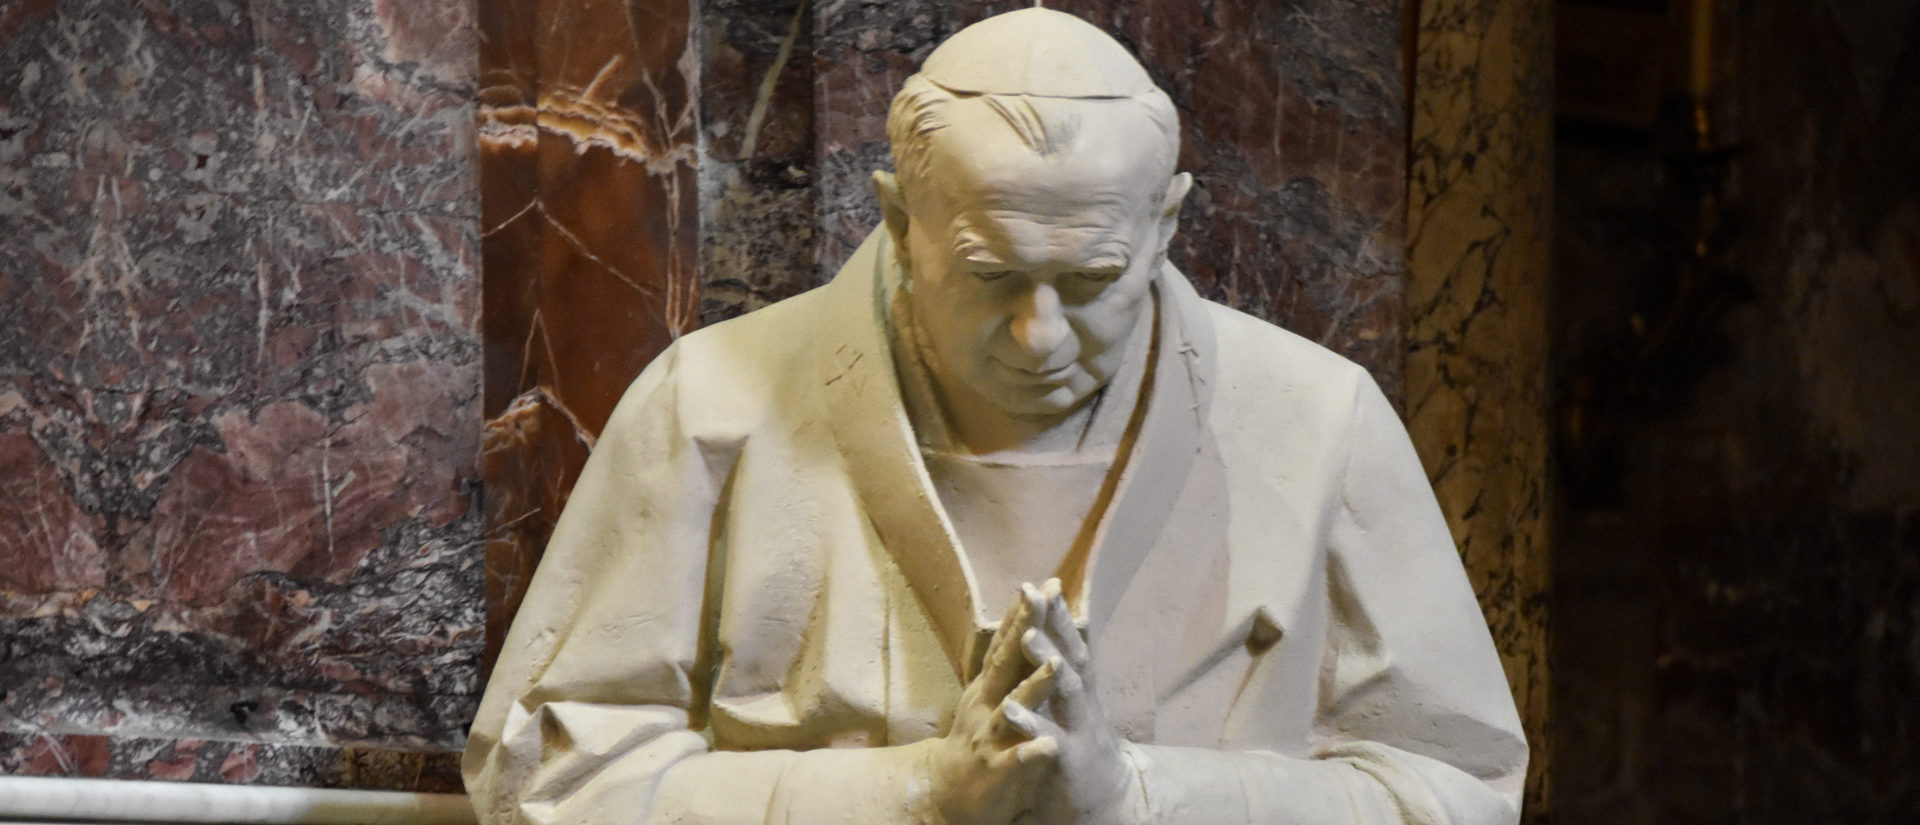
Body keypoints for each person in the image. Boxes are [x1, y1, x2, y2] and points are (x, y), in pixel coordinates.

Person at [464, 9, 1526, 825]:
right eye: (992, 275)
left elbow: (1457, 788)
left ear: (1167, 224)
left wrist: (1135, 793)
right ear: (897, 216)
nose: (1041, 336)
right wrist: (921, 790)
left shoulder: (1318, 421)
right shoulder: (710, 409)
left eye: (1095, 277)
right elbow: (545, 775)